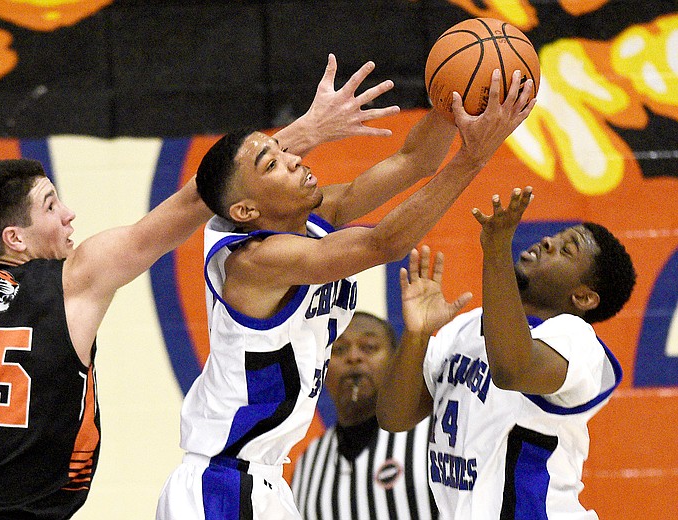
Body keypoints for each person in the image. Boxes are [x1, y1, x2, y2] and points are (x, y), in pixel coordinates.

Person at [0, 53, 399, 520]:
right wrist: (303, 131)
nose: (69, 213)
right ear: (15, 238)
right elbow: (199, 199)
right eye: (51, 205)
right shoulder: (72, 282)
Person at [155, 65, 536, 520]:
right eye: (272, 164)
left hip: (262, 478)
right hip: (221, 484)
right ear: (246, 209)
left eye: (281, 148)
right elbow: (384, 243)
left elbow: (414, 161)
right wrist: (473, 158)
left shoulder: (311, 217)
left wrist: (452, 101)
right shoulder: (253, 262)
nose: (294, 158)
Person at [376, 187, 636, 519]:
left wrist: (496, 248)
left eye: (566, 249)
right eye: (554, 236)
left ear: (583, 297)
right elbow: (394, 417)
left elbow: (512, 370)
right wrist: (417, 334)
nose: (546, 241)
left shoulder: (577, 342)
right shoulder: (467, 326)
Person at [291, 311, 438, 520]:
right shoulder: (309, 461)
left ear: (396, 362)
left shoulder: (434, 438)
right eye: (339, 349)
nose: (353, 357)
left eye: (369, 347)